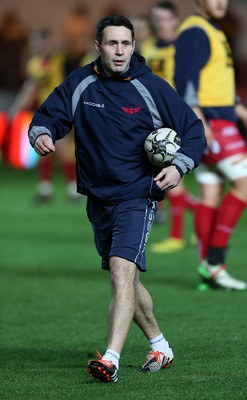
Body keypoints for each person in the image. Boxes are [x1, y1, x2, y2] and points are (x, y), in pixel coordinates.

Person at [28, 15, 206, 382]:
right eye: (112, 43)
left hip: (138, 194)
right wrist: (42, 134)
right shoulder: (80, 83)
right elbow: (49, 115)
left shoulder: (152, 88)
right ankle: (160, 344)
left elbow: (193, 132)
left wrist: (178, 168)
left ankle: (110, 358)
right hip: (98, 196)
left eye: (126, 43)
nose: (120, 50)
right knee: (123, 277)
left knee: (122, 271)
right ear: (99, 46)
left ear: (134, 45)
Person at [174, 0, 247, 290]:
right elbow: (185, 79)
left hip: (218, 117)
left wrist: (239, 107)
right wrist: (198, 117)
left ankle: (207, 268)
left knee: (210, 194)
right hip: (213, 123)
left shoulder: (211, 29)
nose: (221, 2)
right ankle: (215, 262)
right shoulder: (195, 30)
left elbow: (215, 81)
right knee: (244, 185)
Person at [9, 7, 93, 202]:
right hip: (45, 111)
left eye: (40, 41)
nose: (37, 46)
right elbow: (30, 88)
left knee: (63, 148)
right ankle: (46, 189)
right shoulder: (34, 63)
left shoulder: (62, 59)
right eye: (34, 42)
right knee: (43, 148)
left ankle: (74, 188)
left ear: (49, 41)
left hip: (63, 109)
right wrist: (16, 107)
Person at [140, 1, 198, 251]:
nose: (161, 24)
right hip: (154, 118)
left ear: (176, 20)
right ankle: (202, 216)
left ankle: (177, 235)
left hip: (177, 117)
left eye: (166, 19)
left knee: (171, 175)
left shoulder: (184, 47)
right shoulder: (148, 47)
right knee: (165, 176)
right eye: (158, 20)